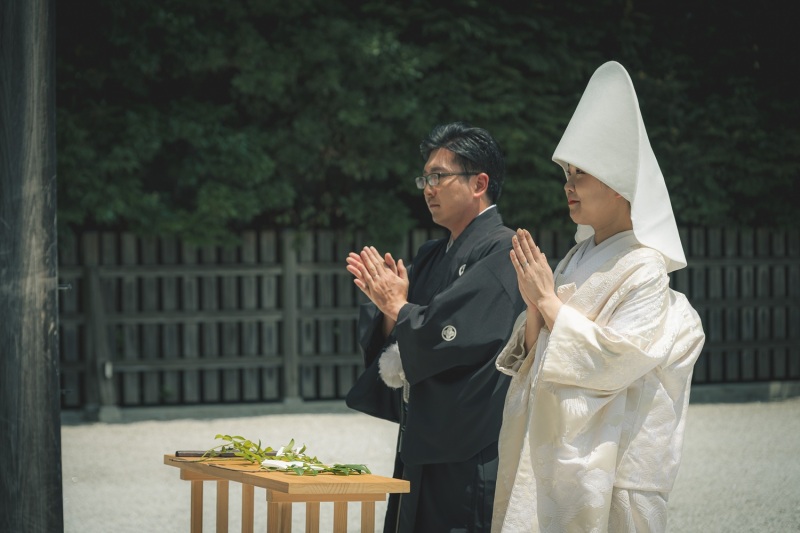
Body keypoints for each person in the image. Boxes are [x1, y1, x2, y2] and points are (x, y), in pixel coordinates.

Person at [491, 61, 706, 532]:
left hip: (613, 457)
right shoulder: (574, 257)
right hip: (553, 443)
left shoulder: (645, 267)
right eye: (566, 173)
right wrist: (534, 301)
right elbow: (533, 352)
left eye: (580, 174)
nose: (567, 185)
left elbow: (620, 357)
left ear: (620, 186)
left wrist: (548, 303)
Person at [344, 121, 526, 532]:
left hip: (468, 441)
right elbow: (409, 333)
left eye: (439, 176)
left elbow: (457, 337)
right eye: (425, 177)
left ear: (479, 183)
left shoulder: (503, 251)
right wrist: (389, 311)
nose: (428, 188)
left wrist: (400, 306)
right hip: (423, 435)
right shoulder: (431, 254)